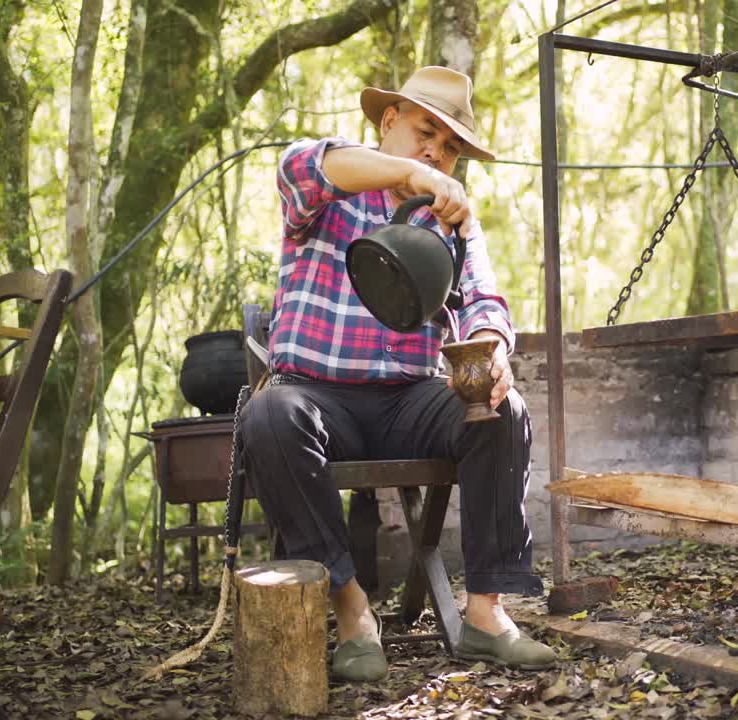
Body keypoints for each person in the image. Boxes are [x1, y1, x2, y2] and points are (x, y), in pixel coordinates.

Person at [239, 66, 555, 683]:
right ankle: (353, 611)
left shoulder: (452, 222)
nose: (436, 150)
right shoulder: (330, 187)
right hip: (317, 400)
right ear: (389, 122)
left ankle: (486, 616)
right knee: (269, 414)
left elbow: (485, 302)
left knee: (502, 408)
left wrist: (492, 347)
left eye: (450, 146)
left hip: (410, 399)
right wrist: (412, 173)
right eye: (424, 131)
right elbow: (304, 166)